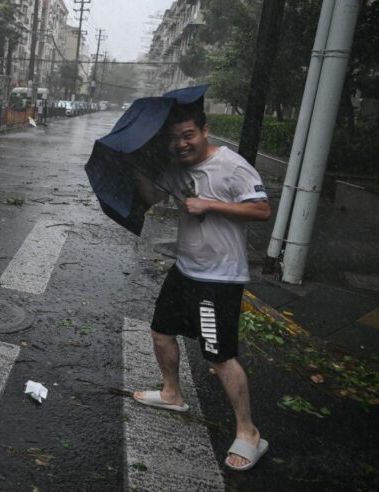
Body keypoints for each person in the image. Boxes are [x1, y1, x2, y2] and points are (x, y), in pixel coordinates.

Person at [132, 101, 271, 472]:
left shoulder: (231, 165)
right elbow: (151, 198)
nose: (181, 143)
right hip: (186, 270)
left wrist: (211, 204)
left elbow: (260, 209)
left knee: (218, 356)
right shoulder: (178, 168)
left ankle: (249, 431)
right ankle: (171, 393)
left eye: (188, 134)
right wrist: (140, 171)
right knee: (161, 332)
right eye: (174, 138)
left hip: (219, 278)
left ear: (205, 131)